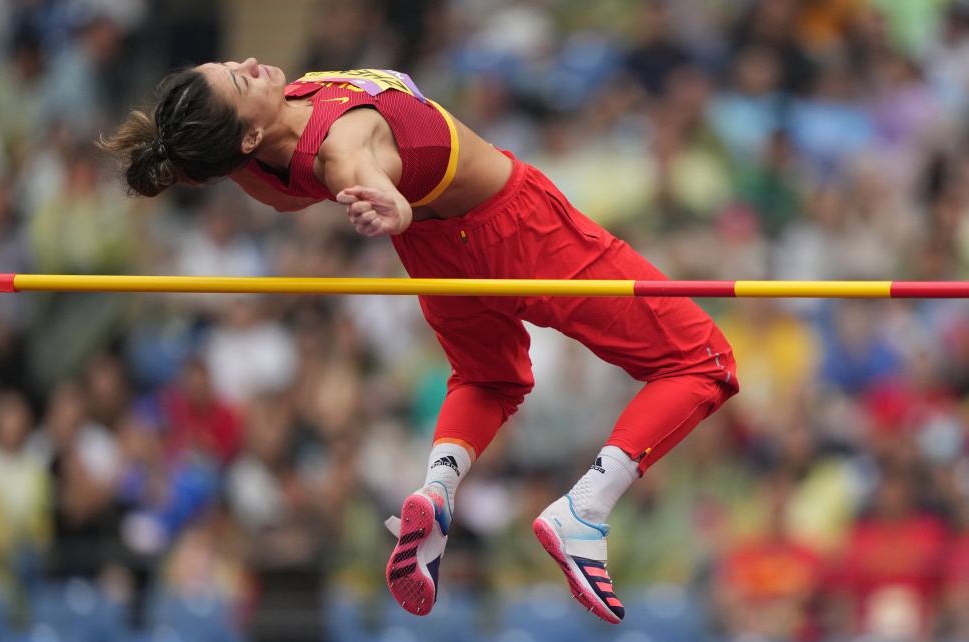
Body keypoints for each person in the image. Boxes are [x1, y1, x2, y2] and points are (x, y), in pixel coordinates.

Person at [100, 58, 739, 624]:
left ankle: (435, 495)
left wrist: (393, 209)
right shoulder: (340, 143)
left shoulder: (260, 161)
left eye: (232, 62)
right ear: (247, 134)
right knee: (703, 362)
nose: (252, 62)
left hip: (437, 253)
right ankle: (585, 510)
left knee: (490, 379)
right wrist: (391, 207)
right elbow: (365, 174)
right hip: (515, 226)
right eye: (240, 79)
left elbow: (289, 194)